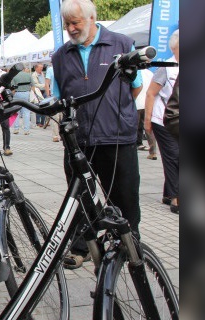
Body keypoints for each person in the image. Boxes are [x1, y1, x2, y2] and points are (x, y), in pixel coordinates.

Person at [50, 0, 144, 269]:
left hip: (115, 135)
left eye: (75, 22)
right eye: (67, 23)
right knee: (80, 197)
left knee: (124, 194)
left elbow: (135, 87)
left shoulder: (121, 44)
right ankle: (83, 246)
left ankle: (128, 243)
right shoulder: (60, 55)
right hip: (78, 139)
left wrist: (117, 110)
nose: (70, 28)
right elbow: (58, 94)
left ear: (92, 18)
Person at [145, 30, 180, 214]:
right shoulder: (166, 67)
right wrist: (147, 120)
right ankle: (176, 198)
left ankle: (168, 192)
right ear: (174, 48)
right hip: (163, 118)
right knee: (174, 155)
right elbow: (151, 93)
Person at [11, 65, 33, 135]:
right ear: (24, 69)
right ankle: (26, 130)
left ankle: (16, 128)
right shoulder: (28, 75)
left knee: (16, 112)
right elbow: (33, 85)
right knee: (26, 112)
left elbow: (12, 88)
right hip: (26, 93)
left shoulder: (14, 76)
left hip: (17, 93)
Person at [45, 65, 62, 142]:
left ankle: (61, 134)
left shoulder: (64, 66)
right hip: (54, 95)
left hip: (63, 94)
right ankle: (55, 135)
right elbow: (47, 83)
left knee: (62, 116)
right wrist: (48, 95)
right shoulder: (50, 69)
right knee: (55, 116)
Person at [31, 63, 47, 127]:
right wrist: (45, 85)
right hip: (38, 91)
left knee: (45, 105)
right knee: (38, 106)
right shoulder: (33, 75)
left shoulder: (42, 73)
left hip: (44, 91)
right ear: (36, 68)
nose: (42, 68)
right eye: (40, 67)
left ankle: (43, 122)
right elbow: (35, 84)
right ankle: (38, 122)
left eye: (42, 67)